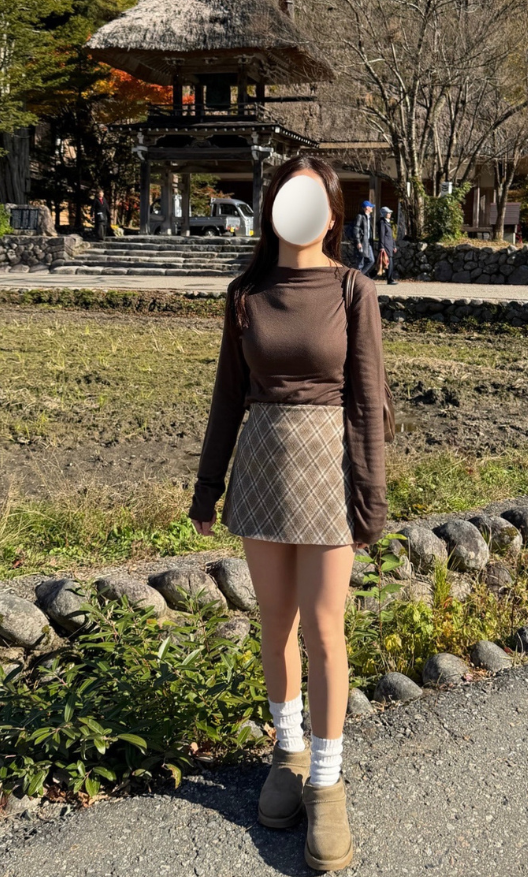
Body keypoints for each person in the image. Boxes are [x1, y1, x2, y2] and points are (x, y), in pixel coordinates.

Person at [189, 155, 387, 873]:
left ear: (332, 214)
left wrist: (371, 497)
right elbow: (226, 395)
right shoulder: (246, 293)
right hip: (262, 467)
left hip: (329, 466)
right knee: (275, 624)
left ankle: (327, 783)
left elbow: (368, 400)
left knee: (325, 631)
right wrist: (207, 487)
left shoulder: (353, 289)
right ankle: (289, 753)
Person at [353, 200, 375, 275]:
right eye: (371, 207)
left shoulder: (369, 217)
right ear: (367, 208)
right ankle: (357, 277)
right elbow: (356, 229)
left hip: (368, 242)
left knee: (371, 260)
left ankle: (360, 275)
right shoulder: (360, 216)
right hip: (362, 242)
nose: (372, 208)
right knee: (360, 262)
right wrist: (358, 242)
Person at [377, 206, 398, 285]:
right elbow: (382, 235)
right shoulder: (382, 222)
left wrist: (394, 246)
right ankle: (389, 279)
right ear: (384, 214)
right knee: (388, 262)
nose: (390, 214)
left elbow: (391, 236)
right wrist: (382, 246)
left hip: (390, 245)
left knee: (391, 262)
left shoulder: (388, 222)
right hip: (386, 245)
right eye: (388, 213)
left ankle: (391, 278)